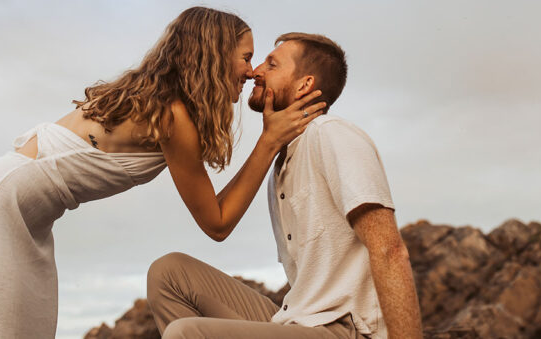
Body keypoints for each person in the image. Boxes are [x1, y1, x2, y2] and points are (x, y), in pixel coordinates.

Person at [0, 7, 326, 339]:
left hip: (0, 204)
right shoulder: (173, 115)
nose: (251, 70)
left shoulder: (160, 100)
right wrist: (269, 141)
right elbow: (217, 224)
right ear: (214, 55)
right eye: (245, 57)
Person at [147, 32, 423, 339]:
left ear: (304, 84)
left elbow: (389, 250)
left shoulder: (331, 135)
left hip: (345, 330)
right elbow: (217, 221)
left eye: (272, 64)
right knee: (169, 273)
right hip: (296, 320)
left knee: (186, 333)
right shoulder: (280, 164)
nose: (256, 71)